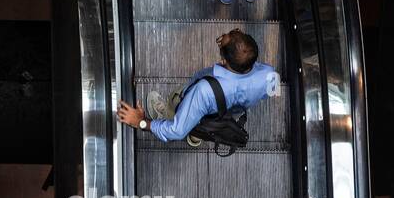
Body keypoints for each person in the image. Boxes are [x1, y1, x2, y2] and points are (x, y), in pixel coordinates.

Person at [115, 29, 277, 145]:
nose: (233, 31)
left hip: (200, 104)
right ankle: (197, 135)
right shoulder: (269, 74)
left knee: (179, 109)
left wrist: (141, 122)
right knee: (203, 122)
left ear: (224, 61)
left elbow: (176, 131)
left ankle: (167, 114)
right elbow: (268, 93)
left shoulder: (203, 91)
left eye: (232, 34)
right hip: (230, 112)